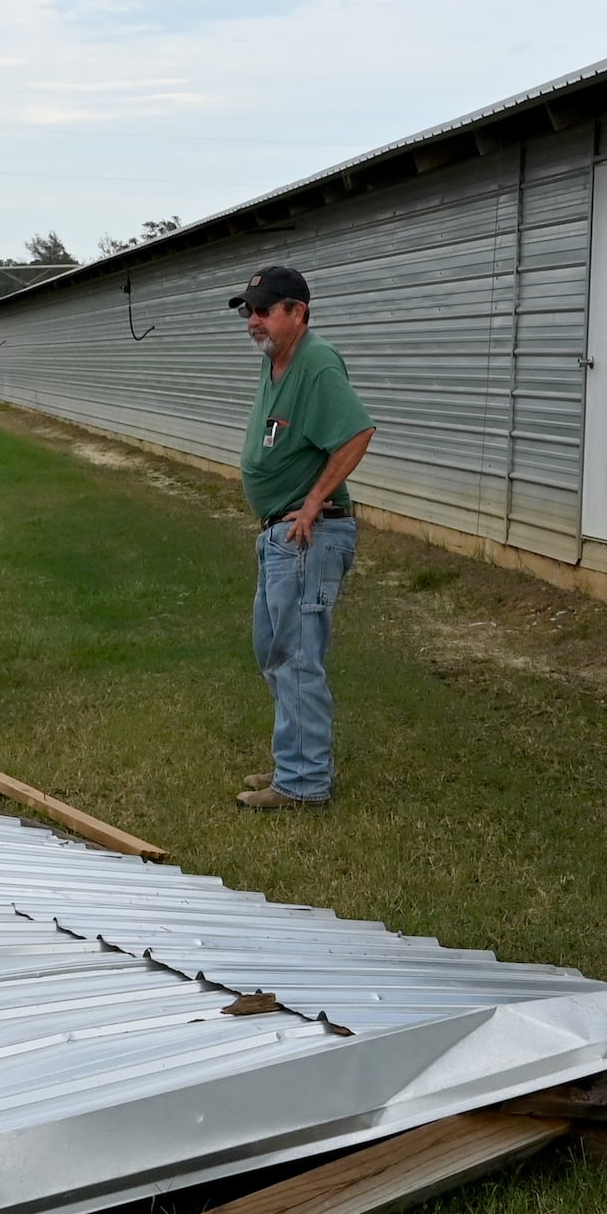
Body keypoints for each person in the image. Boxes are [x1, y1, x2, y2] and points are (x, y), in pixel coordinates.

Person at [229, 264, 375, 809]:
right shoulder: (276, 364)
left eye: (265, 310)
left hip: (309, 535)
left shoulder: (316, 364)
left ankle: (304, 783)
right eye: (249, 311)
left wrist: (313, 503)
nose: (254, 321)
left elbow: (358, 432)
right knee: (275, 650)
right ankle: (292, 763)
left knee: (295, 656)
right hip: (280, 535)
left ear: (298, 312)